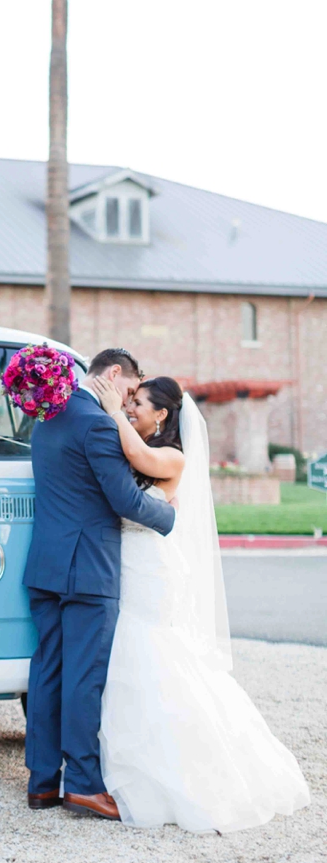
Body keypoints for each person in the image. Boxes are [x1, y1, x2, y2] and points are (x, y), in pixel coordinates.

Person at [91, 373, 310, 832]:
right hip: (125, 563)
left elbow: (140, 455)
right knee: (127, 658)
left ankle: (178, 772)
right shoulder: (135, 442)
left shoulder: (170, 456)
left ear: (163, 414)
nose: (131, 409)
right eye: (129, 404)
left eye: (139, 404)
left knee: (151, 654)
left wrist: (112, 410)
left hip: (150, 567)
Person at [23, 348, 176, 819]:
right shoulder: (96, 423)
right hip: (87, 569)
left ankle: (43, 783)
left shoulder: (48, 416)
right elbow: (126, 500)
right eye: (130, 390)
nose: (129, 403)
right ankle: (85, 785)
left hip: (46, 564)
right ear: (113, 375)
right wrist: (168, 516)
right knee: (85, 678)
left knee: (48, 671)